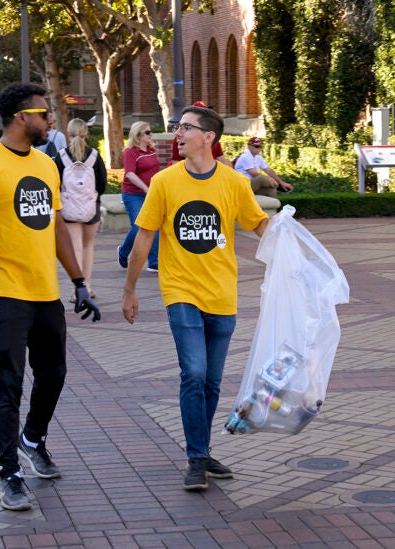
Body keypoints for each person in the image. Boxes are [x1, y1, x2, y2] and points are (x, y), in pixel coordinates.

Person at [0, 83, 101, 511]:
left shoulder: (44, 164)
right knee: (8, 386)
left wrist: (79, 282)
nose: (51, 121)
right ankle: (9, 474)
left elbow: (57, 227)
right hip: (5, 294)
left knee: (54, 374)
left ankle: (32, 438)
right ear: (22, 117)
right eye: (44, 114)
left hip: (46, 292)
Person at [121, 105, 269, 491]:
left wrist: (294, 244)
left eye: (186, 128)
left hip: (223, 293)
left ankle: (201, 452)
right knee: (195, 374)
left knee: (213, 382)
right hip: (180, 290)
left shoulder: (234, 183)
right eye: (177, 127)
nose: (178, 133)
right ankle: (195, 458)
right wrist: (130, 289)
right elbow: (144, 237)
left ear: (209, 138)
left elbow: (259, 225)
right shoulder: (166, 182)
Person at [54, 117, 107, 299]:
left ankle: (78, 289)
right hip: (91, 206)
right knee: (88, 245)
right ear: (86, 133)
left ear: (68, 134)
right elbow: (102, 183)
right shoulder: (94, 155)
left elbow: (55, 182)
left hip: (69, 207)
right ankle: (88, 285)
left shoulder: (61, 156)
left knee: (75, 246)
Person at [117, 121, 160, 272]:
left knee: (154, 225)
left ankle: (154, 262)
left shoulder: (151, 150)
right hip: (133, 194)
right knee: (138, 226)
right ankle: (123, 252)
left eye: (150, 132)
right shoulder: (131, 152)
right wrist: (145, 188)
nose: (151, 135)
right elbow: (129, 173)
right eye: (147, 132)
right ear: (138, 135)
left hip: (151, 193)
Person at [168, 101, 230, 166]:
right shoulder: (181, 140)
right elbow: (175, 163)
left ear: (209, 137)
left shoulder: (212, 139)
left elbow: (222, 159)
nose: (177, 133)